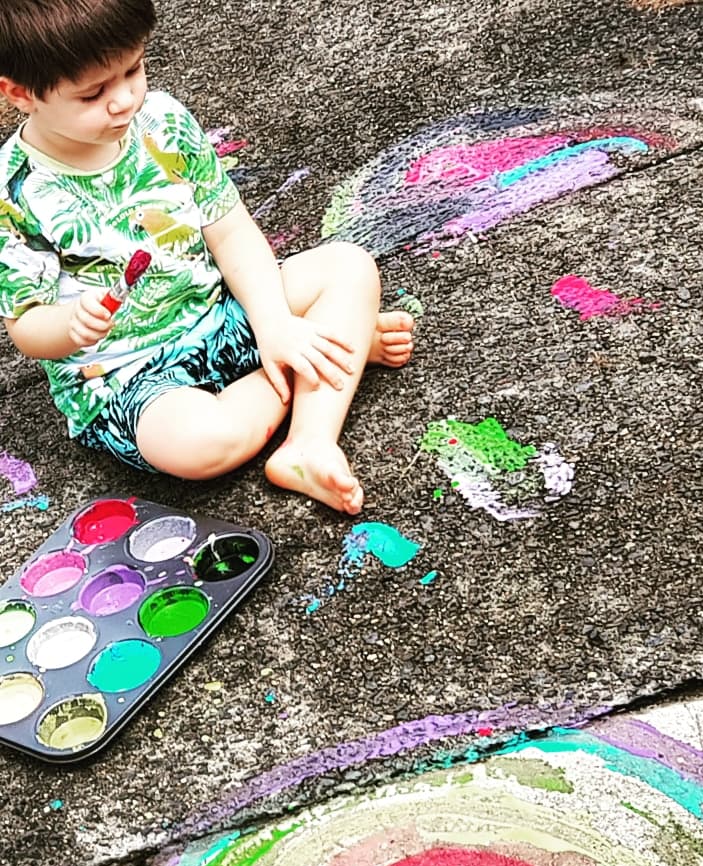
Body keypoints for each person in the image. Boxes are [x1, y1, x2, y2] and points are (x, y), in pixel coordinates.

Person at [0, 0, 414, 515]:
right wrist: (70, 326)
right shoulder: (16, 193)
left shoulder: (163, 121)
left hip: (218, 312)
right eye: (92, 93)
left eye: (133, 69)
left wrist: (273, 325)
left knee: (347, 266)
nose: (124, 100)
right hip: (127, 374)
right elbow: (26, 326)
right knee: (199, 444)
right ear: (19, 93)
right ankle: (334, 356)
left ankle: (309, 441)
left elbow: (230, 230)